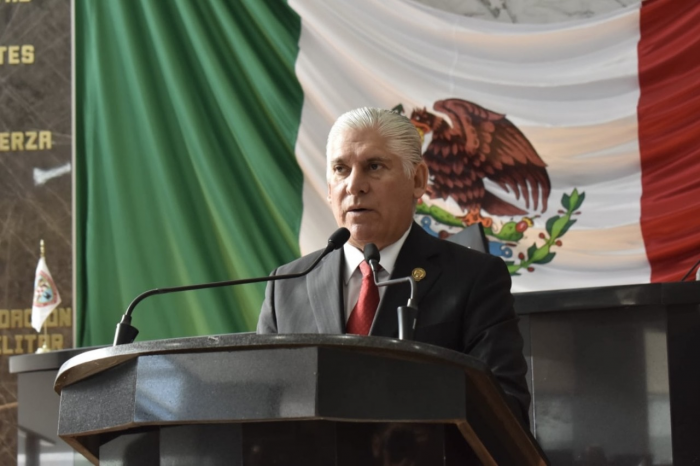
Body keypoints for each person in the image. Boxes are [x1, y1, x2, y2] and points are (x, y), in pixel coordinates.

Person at [257, 107, 530, 427]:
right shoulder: (287, 285)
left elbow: (506, 412)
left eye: (374, 166)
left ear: (418, 180)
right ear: (329, 188)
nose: (354, 185)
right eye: (341, 169)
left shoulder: (474, 278)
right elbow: (262, 406)